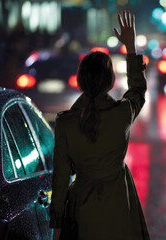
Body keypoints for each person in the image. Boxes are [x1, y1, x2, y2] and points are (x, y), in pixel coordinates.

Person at [49, 11, 150, 240]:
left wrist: (56, 224)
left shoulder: (66, 123)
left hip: (82, 210)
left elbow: (61, 177)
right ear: (110, 80)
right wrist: (130, 47)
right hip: (119, 206)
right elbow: (138, 90)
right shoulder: (122, 113)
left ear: (81, 80)